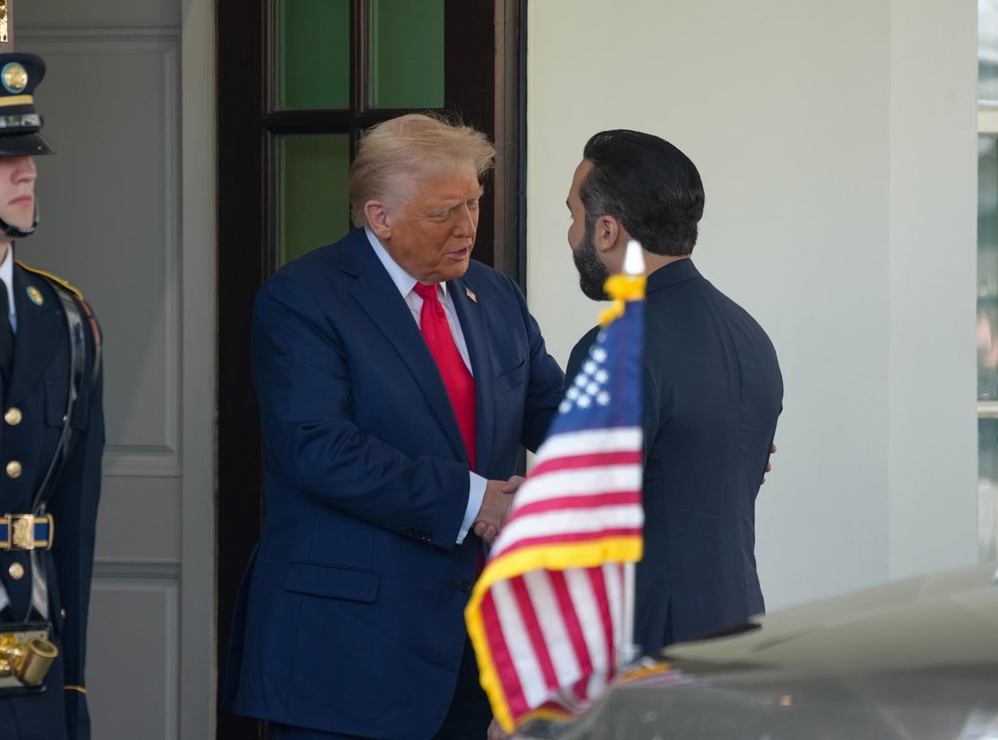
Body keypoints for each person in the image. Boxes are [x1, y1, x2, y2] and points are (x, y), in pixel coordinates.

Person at [223, 113, 565, 740]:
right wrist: (477, 501)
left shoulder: (495, 295)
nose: (467, 226)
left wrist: (664, 441)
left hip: (474, 653)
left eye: (473, 202)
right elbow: (319, 448)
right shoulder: (303, 298)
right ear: (379, 217)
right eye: (443, 212)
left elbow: (553, 411)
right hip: (349, 653)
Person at [565, 130, 782, 656]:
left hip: (646, 642)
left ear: (607, 230)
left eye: (574, 216)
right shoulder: (750, 334)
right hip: (740, 626)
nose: (571, 235)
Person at [0, 53, 105, 740]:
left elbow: (74, 516)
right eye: (0, 156)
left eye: (30, 154)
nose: (28, 171)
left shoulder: (67, 318)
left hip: (31, 636)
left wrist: (73, 685)